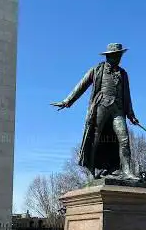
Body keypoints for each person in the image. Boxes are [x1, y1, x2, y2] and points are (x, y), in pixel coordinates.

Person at [51, 43, 139, 180]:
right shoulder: (97, 69)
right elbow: (81, 85)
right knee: (95, 138)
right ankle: (91, 168)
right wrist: (67, 101)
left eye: (119, 55)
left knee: (124, 139)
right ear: (109, 56)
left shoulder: (123, 74)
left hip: (118, 110)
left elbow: (127, 96)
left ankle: (126, 171)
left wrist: (131, 114)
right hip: (100, 106)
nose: (118, 58)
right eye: (116, 55)